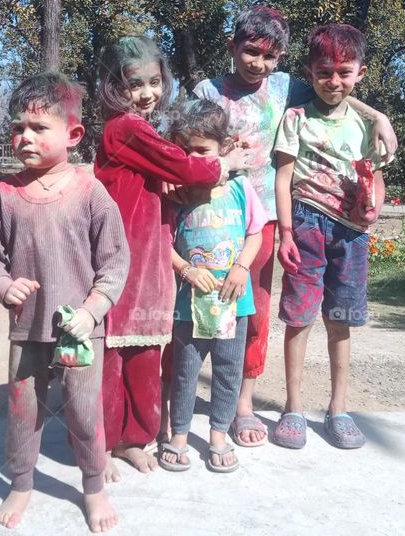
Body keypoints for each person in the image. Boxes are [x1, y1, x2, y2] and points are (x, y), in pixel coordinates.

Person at [193, 5, 397, 448]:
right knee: (194, 304)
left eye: (270, 56)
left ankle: (243, 403)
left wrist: (377, 115)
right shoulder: (206, 90)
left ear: (283, 58)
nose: (258, 64)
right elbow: (185, 140)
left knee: (255, 311)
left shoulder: (286, 87)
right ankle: (181, 395)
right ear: (232, 47)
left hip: (262, 218)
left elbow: (337, 91)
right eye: (250, 52)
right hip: (212, 213)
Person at [0, 73, 129, 532]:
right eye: (18, 128)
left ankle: (93, 485)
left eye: (39, 128)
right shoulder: (5, 195)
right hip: (27, 328)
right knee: (23, 407)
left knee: (83, 408)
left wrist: (93, 309)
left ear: (73, 135)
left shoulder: (90, 191)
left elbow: (115, 261)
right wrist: (2, 286)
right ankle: (21, 483)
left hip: (80, 329)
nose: (25, 137)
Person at [93, 35, 252, 481]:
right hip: (119, 254)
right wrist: (227, 162)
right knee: (111, 353)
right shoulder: (122, 128)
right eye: (133, 84)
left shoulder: (140, 129)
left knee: (143, 348)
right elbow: (184, 167)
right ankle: (103, 444)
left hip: (149, 254)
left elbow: (169, 172)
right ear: (112, 86)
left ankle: (133, 439)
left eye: (154, 82)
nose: (146, 94)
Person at [272, 23, 392, 451]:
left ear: (360, 72)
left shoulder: (367, 125)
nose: (334, 81)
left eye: (344, 71)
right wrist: (285, 232)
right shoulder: (296, 119)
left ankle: (339, 409)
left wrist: (374, 205)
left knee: (340, 321)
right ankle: (293, 408)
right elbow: (283, 178)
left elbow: (373, 178)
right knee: (299, 318)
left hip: (351, 234)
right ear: (310, 71)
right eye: (325, 72)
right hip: (305, 225)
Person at [158, 99, 267, 474]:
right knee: (186, 371)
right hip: (190, 305)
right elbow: (163, 244)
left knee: (227, 369)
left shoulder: (240, 189)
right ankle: (179, 436)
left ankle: (219, 434)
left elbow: (255, 232)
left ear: (223, 150)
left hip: (233, 303)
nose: (194, 161)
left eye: (202, 152)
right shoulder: (176, 196)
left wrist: (241, 267)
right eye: (186, 152)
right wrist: (185, 269)